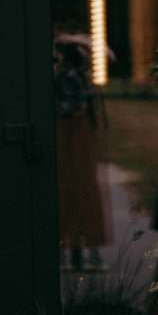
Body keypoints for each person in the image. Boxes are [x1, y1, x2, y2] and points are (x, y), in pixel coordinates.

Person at [53, 29, 112, 272]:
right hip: (73, 134)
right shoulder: (69, 75)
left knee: (75, 187)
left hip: (73, 134)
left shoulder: (68, 73)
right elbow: (72, 107)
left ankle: (77, 251)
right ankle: (80, 251)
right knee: (79, 187)